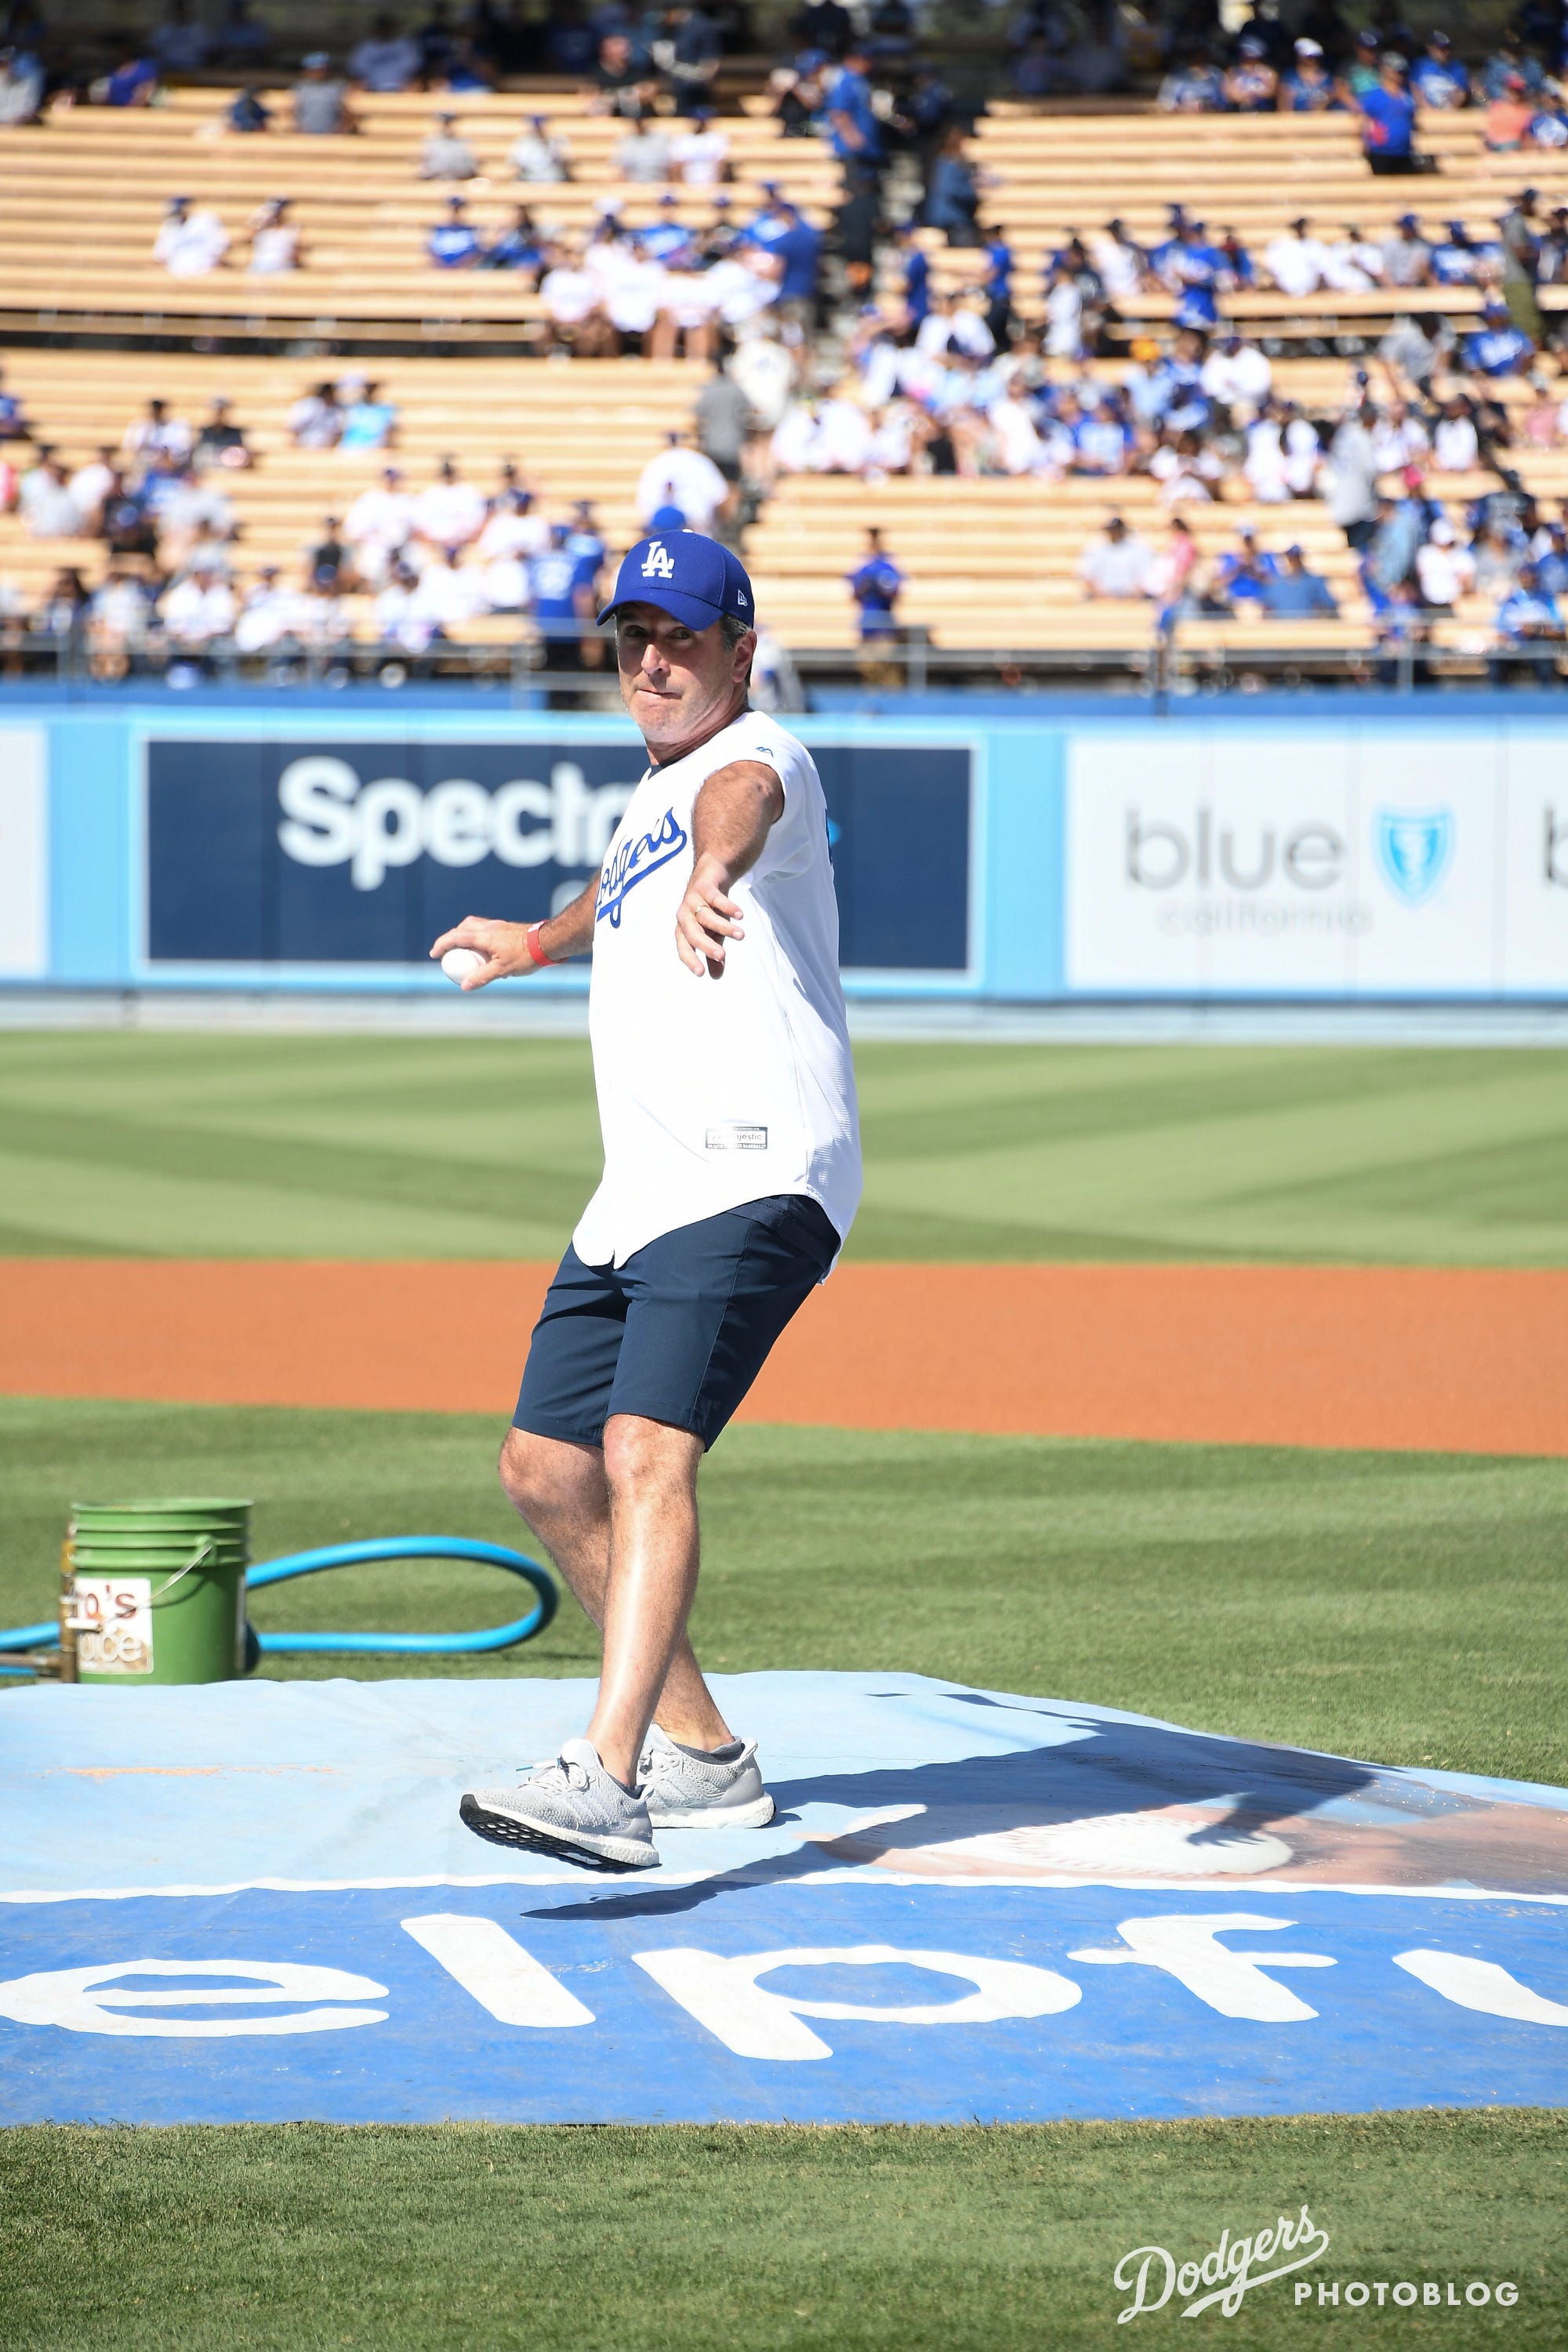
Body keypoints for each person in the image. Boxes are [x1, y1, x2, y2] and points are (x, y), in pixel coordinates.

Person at [434, 532, 858, 1872]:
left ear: (742, 649)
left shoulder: (758, 759)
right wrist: (535, 942)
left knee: (640, 1450)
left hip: (753, 1165)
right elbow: (618, 886)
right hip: (644, 1186)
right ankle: (707, 1759)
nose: (653, 660)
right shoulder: (648, 797)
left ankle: (609, 1778)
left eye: (681, 637)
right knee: (544, 1469)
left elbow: (742, 800)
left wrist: (712, 873)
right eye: (633, 640)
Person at [637, 431, 731, 531]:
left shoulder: (657, 463)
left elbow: (646, 503)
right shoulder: (700, 461)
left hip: (672, 528)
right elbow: (720, 497)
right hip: (697, 528)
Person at [1357, 52, 1421, 173]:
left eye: (1403, 72)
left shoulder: (1407, 95)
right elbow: (1365, 120)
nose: (1400, 76)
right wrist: (1366, 143)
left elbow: (1412, 117)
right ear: (1386, 70)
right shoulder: (1376, 95)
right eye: (1397, 71)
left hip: (1404, 151)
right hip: (1381, 152)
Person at [154, 196, 230, 277]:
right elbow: (160, 254)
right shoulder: (170, 225)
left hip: (206, 268)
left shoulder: (206, 220)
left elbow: (221, 245)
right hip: (176, 271)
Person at [848, 525, 902, 635]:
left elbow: (896, 590)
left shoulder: (889, 562)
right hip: (867, 615)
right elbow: (853, 591)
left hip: (885, 615)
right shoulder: (861, 562)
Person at [1261, 545, 1339, 615]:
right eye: (1285, 559)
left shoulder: (1315, 582)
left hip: (1309, 628)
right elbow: (1266, 609)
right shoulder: (1273, 585)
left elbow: (1330, 607)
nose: (1289, 563)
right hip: (1280, 629)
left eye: (1292, 559)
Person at [350, 13, 423, 91]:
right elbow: (357, 72)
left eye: (388, 27)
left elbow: (416, 70)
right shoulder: (366, 48)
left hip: (402, 91)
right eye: (382, 27)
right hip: (373, 90)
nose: (385, 30)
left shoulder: (406, 45)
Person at [293, 53, 357, 135]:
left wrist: (339, 129)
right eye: (314, 70)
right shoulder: (301, 87)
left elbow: (346, 112)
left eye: (322, 69)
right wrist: (301, 128)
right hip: (306, 133)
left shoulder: (337, 87)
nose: (319, 72)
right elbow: (294, 112)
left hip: (332, 134)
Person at [1410, 30, 1468, 109]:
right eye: (1442, 49)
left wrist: (1450, 110)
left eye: (1448, 48)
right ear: (1430, 48)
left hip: (1449, 112)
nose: (1446, 52)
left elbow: (1461, 93)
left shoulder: (1458, 67)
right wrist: (1428, 109)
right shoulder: (1420, 65)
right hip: (1425, 110)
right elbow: (1415, 89)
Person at [419, 111, 478, 178]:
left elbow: (471, 166)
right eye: (444, 124)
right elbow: (425, 168)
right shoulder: (431, 142)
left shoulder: (464, 142)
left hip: (460, 178)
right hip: (436, 179)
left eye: (450, 123)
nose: (447, 127)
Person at [428, 194, 483, 267]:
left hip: (464, 272)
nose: (455, 213)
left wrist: (459, 266)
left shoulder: (471, 231)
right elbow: (432, 253)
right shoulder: (437, 230)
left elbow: (475, 253)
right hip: (441, 271)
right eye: (452, 209)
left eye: (458, 209)